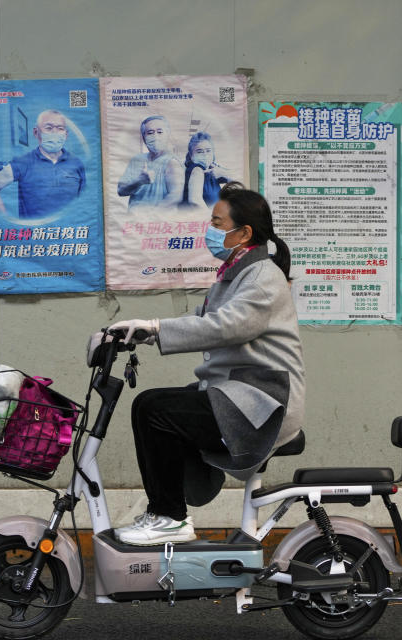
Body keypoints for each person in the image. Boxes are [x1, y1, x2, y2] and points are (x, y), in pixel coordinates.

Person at [106, 182, 305, 545]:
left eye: (217, 223)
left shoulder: (262, 278)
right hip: (241, 395)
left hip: (264, 404)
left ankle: (170, 516)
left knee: (154, 409)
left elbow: (226, 326)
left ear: (244, 232)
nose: (210, 230)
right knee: (159, 407)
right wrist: (144, 332)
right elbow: (204, 318)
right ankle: (166, 511)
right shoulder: (236, 273)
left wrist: (155, 328)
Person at [0, 110, 85, 219]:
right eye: (48, 128)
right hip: (36, 234)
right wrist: (5, 220)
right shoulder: (23, 162)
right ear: (36, 132)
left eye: (60, 128)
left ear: (66, 135)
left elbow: (84, 200)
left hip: (71, 232)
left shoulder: (76, 164)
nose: (55, 133)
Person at [116, 115, 183, 210]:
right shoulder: (137, 160)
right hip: (134, 221)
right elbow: (120, 191)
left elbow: (175, 196)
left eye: (160, 132)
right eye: (150, 133)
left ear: (167, 134)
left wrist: (150, 217)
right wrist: (139, 181)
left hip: (156, 222)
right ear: (144, 138)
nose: (155, 136)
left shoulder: (172, 162)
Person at [180, 131, 231, 209]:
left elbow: (236, 181)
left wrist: (222, 173)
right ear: (191, 155)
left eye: (208, 150)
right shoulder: (197, 170)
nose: (205, 155)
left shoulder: (211, 170)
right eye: (199, 152)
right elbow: (195, 201)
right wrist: (213, 219)